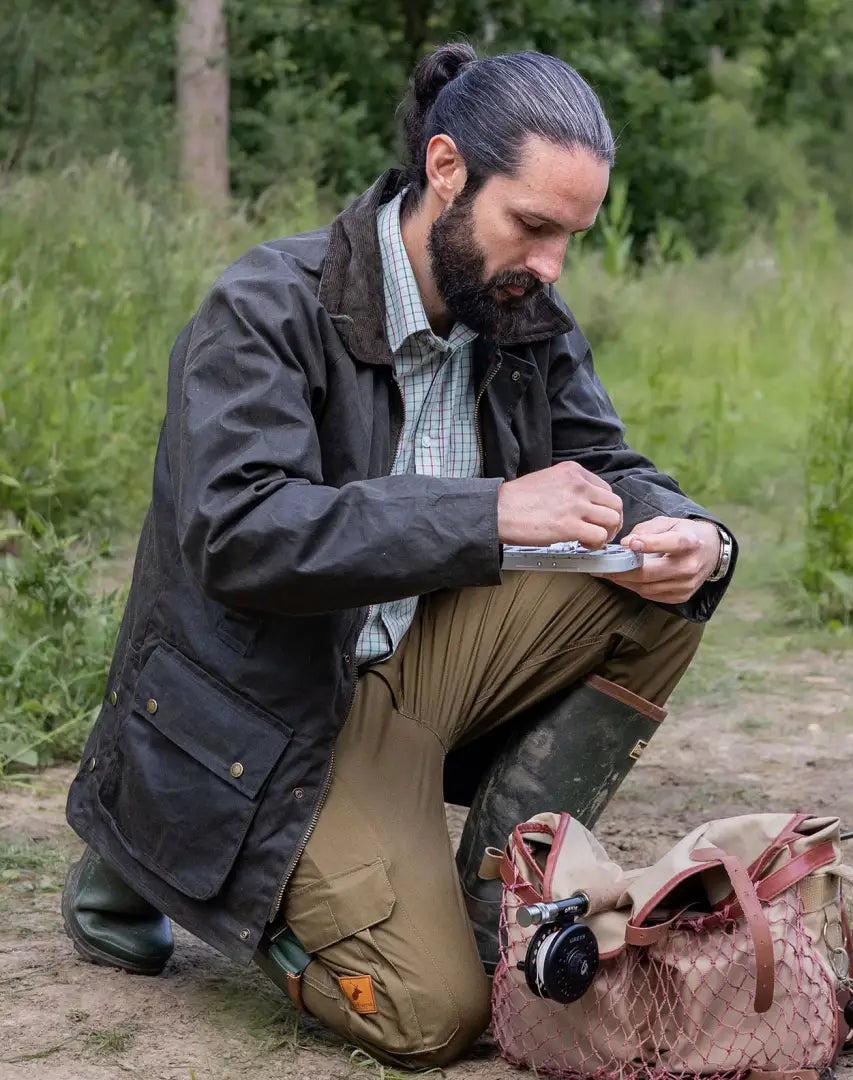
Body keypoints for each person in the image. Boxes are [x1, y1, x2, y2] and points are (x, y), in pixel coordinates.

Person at [62, 43, 737, 1069]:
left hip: (431, 678)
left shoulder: (519, 315)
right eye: (535, 226)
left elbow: (608, 466)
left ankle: (493, 906)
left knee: (662, 595)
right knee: (432, 1022)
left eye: (573, 239)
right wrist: (487, 512)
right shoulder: (264, 309)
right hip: (281, 720)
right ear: (447, 170)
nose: (551, 266)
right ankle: (169, 863)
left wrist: (692, 533)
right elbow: (237, 535)